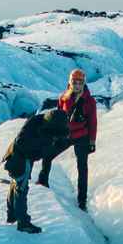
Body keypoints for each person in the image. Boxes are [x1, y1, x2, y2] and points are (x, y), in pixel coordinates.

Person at [2, 108, 69, 234]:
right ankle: (23, 223)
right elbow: (23, 144)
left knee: (16, 185)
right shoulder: (38, 129)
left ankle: (12, 215)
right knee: (21, 188)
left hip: (21, 156)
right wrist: (43, 148)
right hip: (20, 158)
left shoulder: (38, 122)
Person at [38, 68, 97, 210]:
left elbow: (93, 122)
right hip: (66, 135)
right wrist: (54, 134)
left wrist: (92, 142)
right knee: (47, 155)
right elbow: (58, 118)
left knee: (82, 169)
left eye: (80, 82)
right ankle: (42, 183)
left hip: (82, 137)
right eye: (75, 82)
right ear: (70, 82)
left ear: (83, 83)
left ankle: (82, 202)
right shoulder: (64, 98)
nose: (77, 85)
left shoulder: (89, 101)